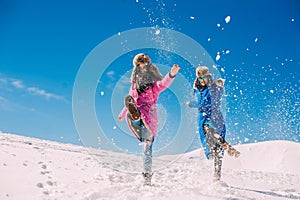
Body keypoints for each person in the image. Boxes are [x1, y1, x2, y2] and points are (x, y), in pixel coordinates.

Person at [118, 53, 180, 185]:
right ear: (137, 68)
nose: (143, 67)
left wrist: (172, 73)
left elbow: (164, 84)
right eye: (140, 65)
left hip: (149, 118)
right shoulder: (134, 86)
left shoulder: (153, 86)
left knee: (147, 147)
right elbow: (130, 98)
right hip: (137, 110)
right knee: (132, 109)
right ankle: (134, 114)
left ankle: (147, 176)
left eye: (145, 64)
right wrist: (123, 113)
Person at [186, 66, 240, 182]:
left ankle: (224, 144)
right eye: (200, 79)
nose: (202, 81)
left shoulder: (214, 88)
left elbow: (208, 103)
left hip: (213, 117)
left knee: (209, 129)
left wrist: (192, 104)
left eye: (204, 78)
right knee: (214, 148)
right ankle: (217, 175)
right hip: (202, 118)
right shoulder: (198, 88)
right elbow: (202, 101)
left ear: (208, 77)